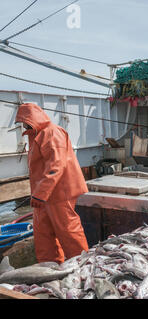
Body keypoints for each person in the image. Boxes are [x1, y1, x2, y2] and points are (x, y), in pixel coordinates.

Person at [15, 103, 89, 264]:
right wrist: (39, 195)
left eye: (24, 120)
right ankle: (49, 267)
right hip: (44, 195)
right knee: (42, 233)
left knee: (68, 230)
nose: (23, 124)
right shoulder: (36, 135)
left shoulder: (52, 132)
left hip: (59, 193)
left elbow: (56, 165)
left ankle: (83, 265)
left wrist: (40, 194)